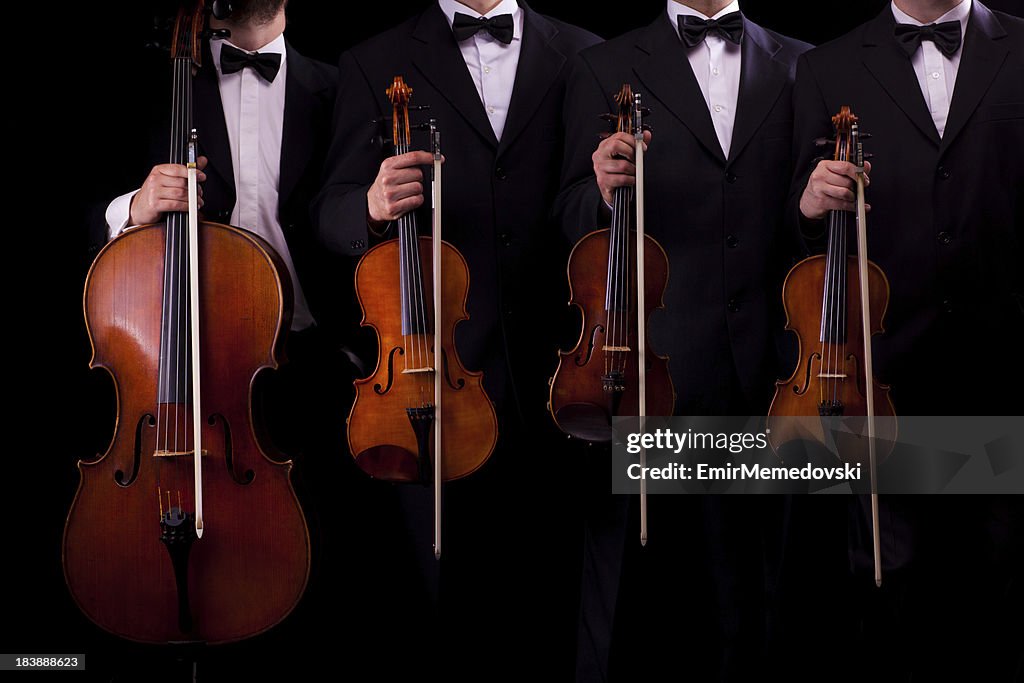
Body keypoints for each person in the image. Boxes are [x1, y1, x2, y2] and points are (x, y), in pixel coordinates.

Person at [98, 1, 401, 675]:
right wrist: (134, 207)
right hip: (180, 367)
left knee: (333, 573)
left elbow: (347, 220)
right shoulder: (164, 80)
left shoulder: (340, 85)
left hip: (320, 359)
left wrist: (372, 212)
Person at [314, 0, 600, 676]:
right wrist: (370, 204)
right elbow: (328, 213)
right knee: (447, 626)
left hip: (565, 378)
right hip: (434, 383)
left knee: (560, 619)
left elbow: (585, 196)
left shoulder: (586, 52)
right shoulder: (372, 60)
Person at [554, 1, 811, 679]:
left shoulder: (802, 63)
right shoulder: (601, 67)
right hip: (649, 367)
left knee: (756, 600)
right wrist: (600, 194)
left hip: (772, 367)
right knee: (642, 610)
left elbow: (803, 225)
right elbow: (566, 209)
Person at [791, 0, 1023, 678]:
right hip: (883, 377)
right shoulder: (825, 67)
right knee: (894, 586)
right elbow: (792, 227)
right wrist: (810, 201)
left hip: (1004, 372)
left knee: (1004, 576)